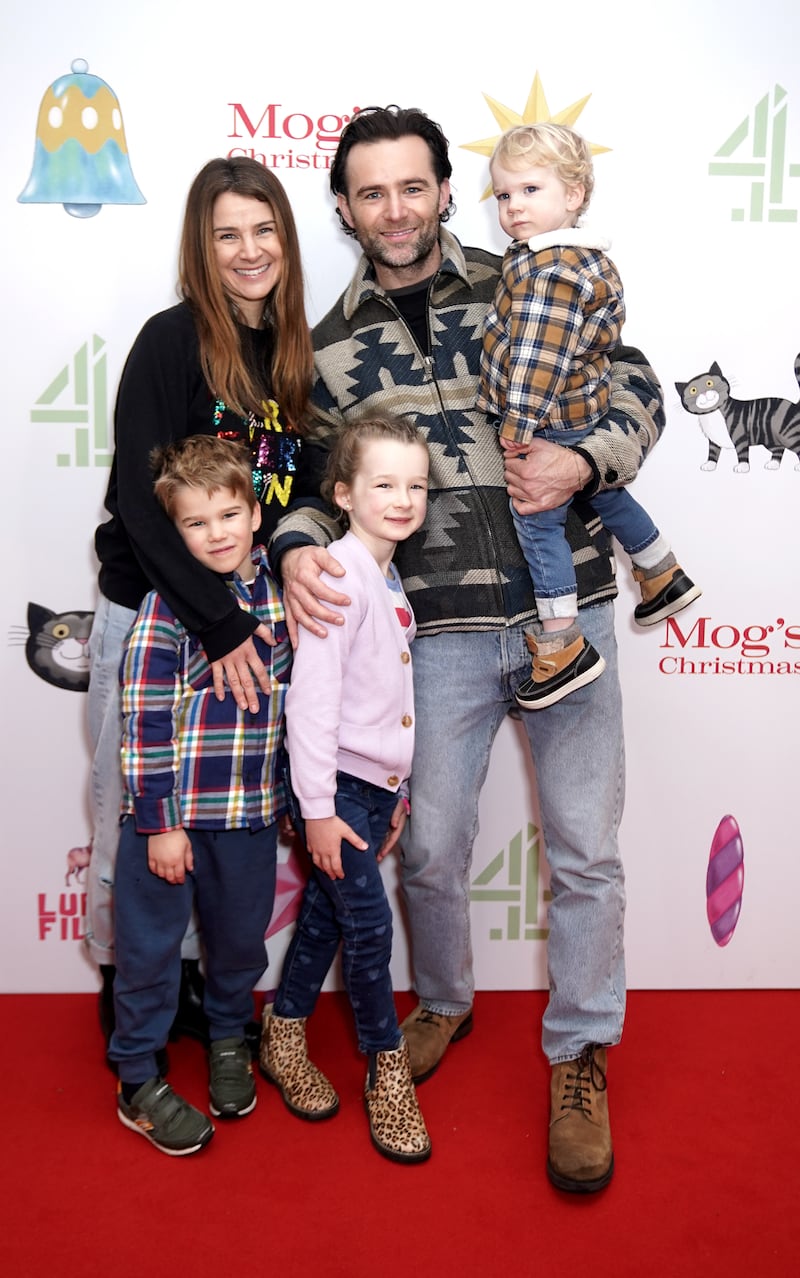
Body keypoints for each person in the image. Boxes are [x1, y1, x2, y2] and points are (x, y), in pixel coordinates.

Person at [270, 105, 666, 1194]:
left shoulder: (530, 275)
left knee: (584, 847)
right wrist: (301, 548)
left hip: (566, 611)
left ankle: (579, 1050)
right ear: (344, 207)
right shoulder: (322, 342)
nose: (394, 209)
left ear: (446, 190)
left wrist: (584, 461)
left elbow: (635, 388)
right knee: (429, 848)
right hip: (425, 636)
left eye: (413, 186)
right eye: (369, 192)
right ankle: (442, 999)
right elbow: (308, 487)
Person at [87, 157, 313, 1061]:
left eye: (264, 231)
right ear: (202, 246)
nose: (249, 250)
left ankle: (194, 992)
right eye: (228, 234)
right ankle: (129, 994)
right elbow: (140, 504)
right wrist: (218, 626)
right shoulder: (171, 338)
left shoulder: (294, 353)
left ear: (288, 240)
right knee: (140, 814)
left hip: (243, 623)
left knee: (222, 829)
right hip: (155, 618)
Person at [477, 123, 700, 708]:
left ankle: (560, 643)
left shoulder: (550, 271)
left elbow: (535, 358)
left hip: (549, 419)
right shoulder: (573, 257)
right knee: (606, 494)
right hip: (584, 412)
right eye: (503, 195)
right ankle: (659, 570)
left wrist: (516, 425)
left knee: (537, 517)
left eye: (529, 190)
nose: (513, 206)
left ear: (573, 194)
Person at [110, 434, 291, 1155]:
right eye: (195, 522)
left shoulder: (280, 601)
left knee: (240, 944)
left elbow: (292, 709)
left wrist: (284, 799)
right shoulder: (167, 607)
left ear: (254, 514)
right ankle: (137, 1077)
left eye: (227, 515)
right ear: (174, 529)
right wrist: (158, 822)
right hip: (172, 822)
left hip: (246, 819)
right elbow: (145, 717)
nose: (215, 533)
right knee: (150, 953)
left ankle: (225, 1037)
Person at [260, 414, 432, 1164]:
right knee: (368, 928)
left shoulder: (388, 576)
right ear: (343, 493)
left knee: (329, 922)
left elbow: (389, 697)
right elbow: (313, 705)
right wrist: (320, 812)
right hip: (333, 789)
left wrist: (397, 792)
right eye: (384, 484)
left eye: (416, 485)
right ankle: (387, 1070)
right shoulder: (336, 573)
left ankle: (283, 1032)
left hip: (371, 790)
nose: (403, 498)